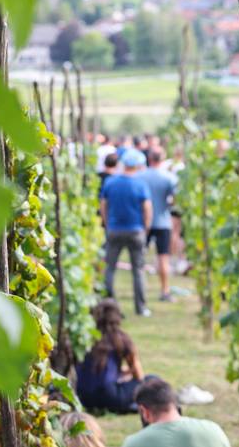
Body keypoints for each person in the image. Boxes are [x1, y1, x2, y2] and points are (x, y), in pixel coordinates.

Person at [101, 148, 152, 317]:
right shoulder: (140, 184)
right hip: (135, 230)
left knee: (110, 268)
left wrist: (108, 224)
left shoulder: (111, 182)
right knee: (138, 270)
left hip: (114, 229)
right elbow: (147, 209)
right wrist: (145, 228)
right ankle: (141, 307)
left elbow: (103, 205)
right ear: (137, 165)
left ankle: (109, 304)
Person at [76, 299, 146, 413]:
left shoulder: (85, 337)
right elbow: (139, 376)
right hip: (110, 397)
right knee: (150, 379)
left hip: (83, 397)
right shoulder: (121, 339)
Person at [142, 149, 178, 301]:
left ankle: (141, 290)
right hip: (163, 221)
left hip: (144, 222)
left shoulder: (140, 176)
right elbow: (175, 199)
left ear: (149, 159)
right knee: (163, 258)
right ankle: (164, 290)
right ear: (162, 160)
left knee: (140, 257)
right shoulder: (169, 178)